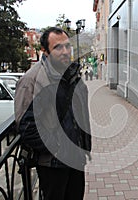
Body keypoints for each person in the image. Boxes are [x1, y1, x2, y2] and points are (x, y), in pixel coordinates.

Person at [15, 27, 91, 200]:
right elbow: (26, 127)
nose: (65, 51)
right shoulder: (31, 80)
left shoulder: (72, 74)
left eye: (67, 46)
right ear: (45, 51)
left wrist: (84, 143)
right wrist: (57, 147)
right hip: (53, 164)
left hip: (76, 157)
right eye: (58, 47)